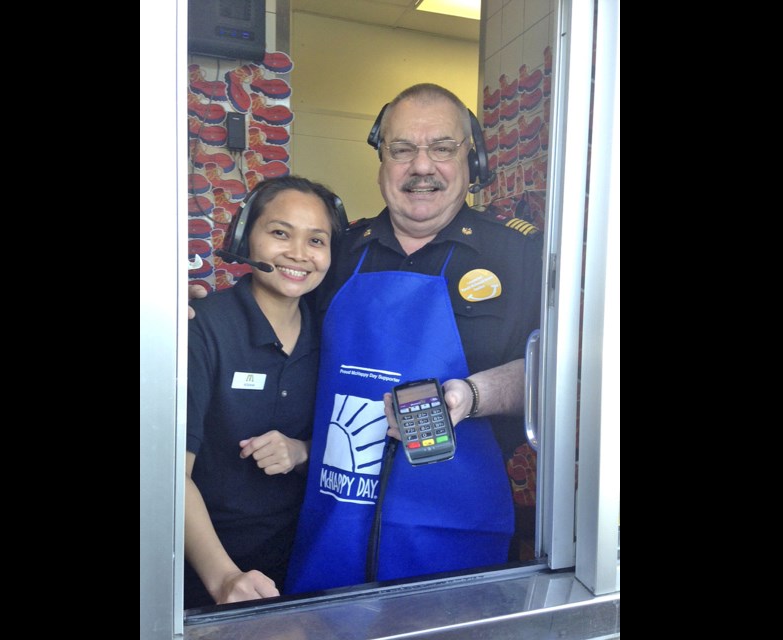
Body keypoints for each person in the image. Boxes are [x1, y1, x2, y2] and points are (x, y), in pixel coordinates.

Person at [284, 84, 544, 594]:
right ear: (382, 159)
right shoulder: (336, 253)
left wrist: (471, 396)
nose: (421, 167)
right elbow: (277, 339)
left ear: (474, 159)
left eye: (442, 148)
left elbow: (557, 372)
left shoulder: (521, 257)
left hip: (457, 524)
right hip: (334, 510)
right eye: (402, 149)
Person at [184, 175, 345, 608]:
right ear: (245, 236)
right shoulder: (202, 327)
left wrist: (301, 452)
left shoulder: (331, 333)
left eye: (316, 240)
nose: (298, 254)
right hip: (204, 572)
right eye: (279, 233)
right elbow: (169, 475)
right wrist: (224, 580)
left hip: (302, 566)